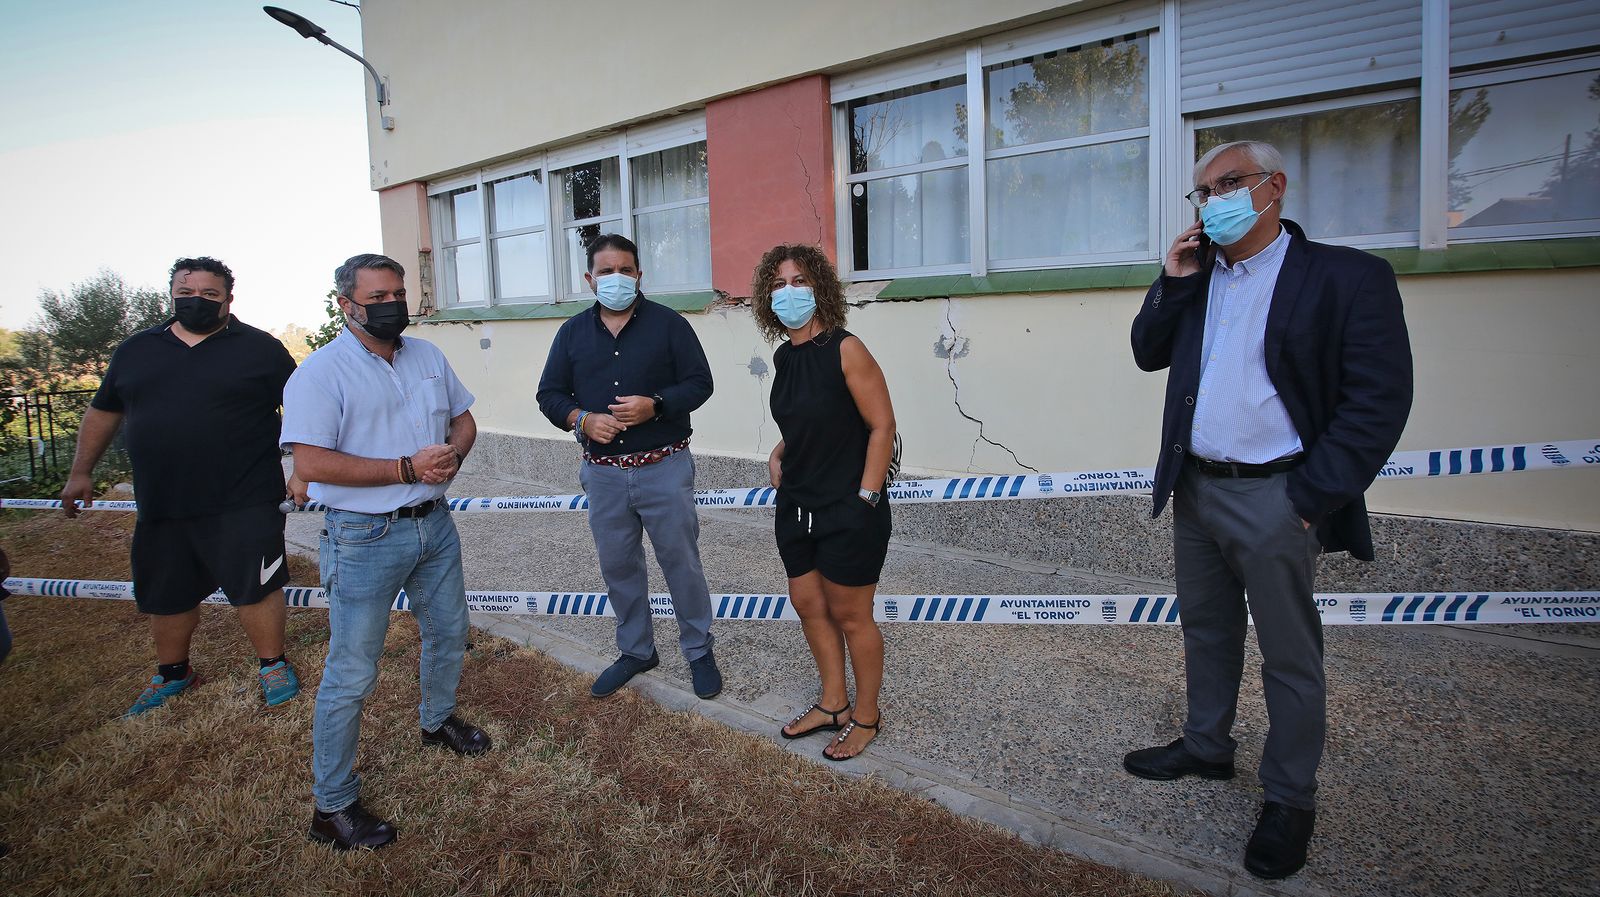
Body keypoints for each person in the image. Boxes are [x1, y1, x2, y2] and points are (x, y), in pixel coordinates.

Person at [1126, 141, 1413, 879]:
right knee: (1208, 630)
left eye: (1230, 183)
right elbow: (1147, 352)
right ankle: (1206, 745)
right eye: (1203, 191)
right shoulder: (1201, 275)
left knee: (1290, 655)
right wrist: (1171, 279)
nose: (1214, 199)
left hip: (1278, 495)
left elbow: (1378, 402)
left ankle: (1290, 797)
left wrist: (1309, 500)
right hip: (1197, 488)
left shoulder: (1347, 278)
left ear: (1274, 187)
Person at [282, 253, 490, 851]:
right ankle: (333, 805)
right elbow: (312, 462)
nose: (391, 305)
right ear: (346, 305)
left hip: (435, 526)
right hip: (363, 537)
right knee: (352, 670)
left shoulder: (427, 355)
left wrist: (452, 454)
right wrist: (404, 467)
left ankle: (437, 719)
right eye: (377, 298)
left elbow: (464, 421)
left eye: (398, 293)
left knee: (450, 632)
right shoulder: (320, 373)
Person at [61, 257, 300, 717]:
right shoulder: (135, 350)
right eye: (186, 291)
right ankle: (173, 673)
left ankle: (272, 664)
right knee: (166, 592)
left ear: (229, 298)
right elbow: (103, 411)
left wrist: (303, 467)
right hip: (162, 500)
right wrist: (80, 471)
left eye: (209, 294)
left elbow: (305, 409)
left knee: (257, 586)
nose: (196, 301)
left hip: (244, 496)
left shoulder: (261, 349)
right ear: (171, 294)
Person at [536, 234, 721, 700]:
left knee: (681, 562)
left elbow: (701, 383)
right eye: (606, 271)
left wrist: (656, 405)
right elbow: (549, 394)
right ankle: (637, 650)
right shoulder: (572, 333)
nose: (616, 279)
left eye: (625, 270)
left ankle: (698, 650)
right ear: (589, 279)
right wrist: (581, 420)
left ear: (640, 275)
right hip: (604, 473)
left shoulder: (669, 325)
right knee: (619, 565)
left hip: (665, 467)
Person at [752, 244, 896, 761]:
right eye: (779, 283)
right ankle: (834, 703)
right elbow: (808, 419)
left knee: (851, 614)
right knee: (809, 605)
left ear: (821, 290)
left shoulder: (846, 348)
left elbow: (882, 426)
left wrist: (866, 497)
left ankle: (866, 716)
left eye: (799, 281)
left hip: (847, 507)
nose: (789, 291)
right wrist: (780, 448)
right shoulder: (785, 356)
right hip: (795, 505)